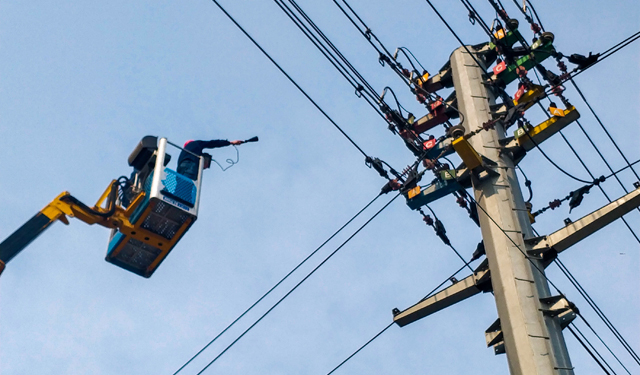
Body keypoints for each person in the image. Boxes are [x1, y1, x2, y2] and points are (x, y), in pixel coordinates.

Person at [177, 139, 243, 180]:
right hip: (190, 166)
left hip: (180, 169)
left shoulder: (184, 153)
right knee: (187, 185)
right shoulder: (196, 143)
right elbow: (212, 143)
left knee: (180, 185)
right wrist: (230, 142)